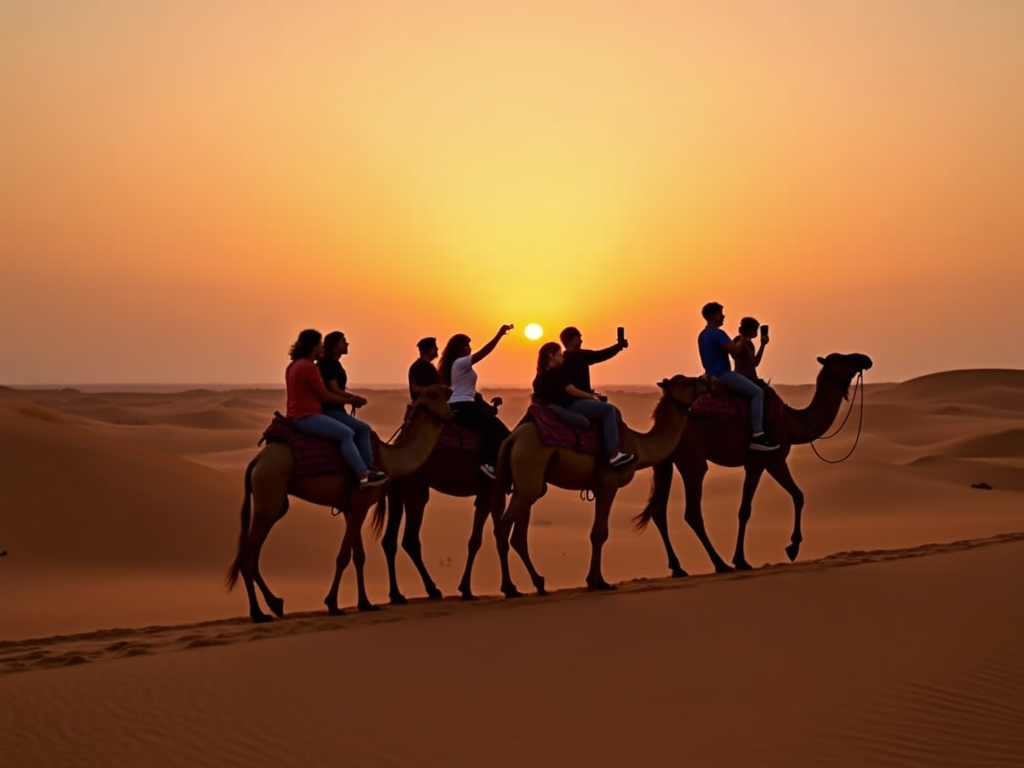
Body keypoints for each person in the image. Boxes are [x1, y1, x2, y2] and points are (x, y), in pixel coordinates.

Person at [285, 329, 388, 487]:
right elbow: (325, 395)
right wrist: (351, 400)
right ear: (313, 347)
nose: (322, 348)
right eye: (319, 344)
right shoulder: (309, 368)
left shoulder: (293, 366)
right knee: (347, 433)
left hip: (297, 416)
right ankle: (364, 473)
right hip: (308, 416)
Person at [533, 342, 636, 468]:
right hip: (570, 405)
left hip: (559, 407)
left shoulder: (540, 375)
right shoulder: (555, 373)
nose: (562, 358)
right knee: (610, 410)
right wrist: (591, 396)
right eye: (559, 355)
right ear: (551, 356)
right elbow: (572, 390)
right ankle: (614, 454)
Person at [697, 303, 779, 451]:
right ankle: (757, 434)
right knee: (758, 392)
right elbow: (734, 351)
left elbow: (753, 361)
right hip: (722, 374)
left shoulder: (703, 335)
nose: (723, 316)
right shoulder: (717, 333)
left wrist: (760, 345)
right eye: (720, 313)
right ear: (712, 315)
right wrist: (742, 338)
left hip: (710, 375)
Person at [438, 325, 513, 479]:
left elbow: (468, 391)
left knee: (500, 429)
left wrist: (488, 407)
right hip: (463, 407)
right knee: (494, 429)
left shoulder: (457, 365)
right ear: (459, 348)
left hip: (466, 405)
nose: (469, 348)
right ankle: (487, 464)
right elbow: (484, 352)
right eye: (466, 345)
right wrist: (499, 335)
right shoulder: (460, 363)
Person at [317, 331, 383, 479]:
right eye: (343, 342)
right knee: (363, 429)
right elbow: (333, 389)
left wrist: (352, 398)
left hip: (335, 409)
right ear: (335, 346)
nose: (347, 344)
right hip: (330, 410)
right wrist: (352, 399)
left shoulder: (332, 363)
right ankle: (367, 470)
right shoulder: (328, 363)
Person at [559, 326, 627, 398]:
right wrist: (618, 346)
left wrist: (618, 347)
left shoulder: (579, 356)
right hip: (578, 400)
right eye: (579, 338)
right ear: (573, 341)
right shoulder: (571, 359)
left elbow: (602, 354)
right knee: (610, 409)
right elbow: (602, 355)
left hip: (585, 398)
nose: (581, 341)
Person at [733, 317, 768, 382]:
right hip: (743, 377)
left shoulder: (750, 344)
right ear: (750, 330)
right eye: (755, 329)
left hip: (751, 378)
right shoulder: (739, 340)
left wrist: (762, 345)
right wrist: (743, 338)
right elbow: (735, 353)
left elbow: (755, 362)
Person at [408, 337, 440, 401]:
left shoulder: (427, 366)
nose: (437, 349)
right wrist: (432, 390)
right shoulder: (418, 366)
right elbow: (415, 388)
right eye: (434, 347)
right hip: (424, 406)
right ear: (429, 350)